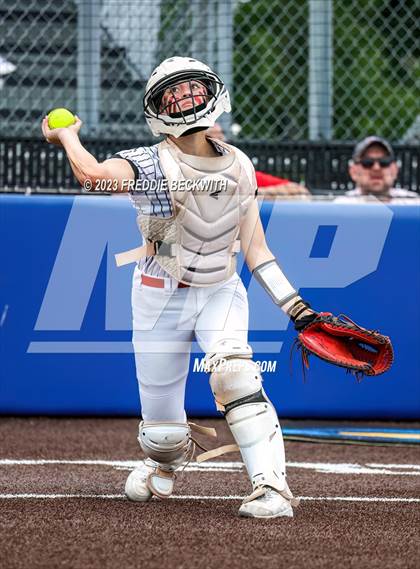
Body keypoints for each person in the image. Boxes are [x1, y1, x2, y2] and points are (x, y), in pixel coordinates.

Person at [42, 56, 319, 519]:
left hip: (220, 288)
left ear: (213, 94)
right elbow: (92, 178)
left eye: (192, 88)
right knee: (163, 435)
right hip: (158, 294)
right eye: (175, 91)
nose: (185, 97)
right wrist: (68, 136)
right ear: (159, 109)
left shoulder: (241, 166)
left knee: (236, 375)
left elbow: (257, 249)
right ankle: (163, 461)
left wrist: (298, 308)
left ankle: (272, 488)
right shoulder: (149, 162)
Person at [207, 123, 310, 197]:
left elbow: (299, 189)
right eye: (211, 136)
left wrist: (255, 192)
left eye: (220, 137)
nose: (217, 142)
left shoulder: (243, 175)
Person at [346, 136, 418, 201]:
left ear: (395, 170)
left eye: (384, 162)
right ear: (353, 172)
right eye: (367, 162)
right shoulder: (340, 206)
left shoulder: (413, 204)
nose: (376, 168)